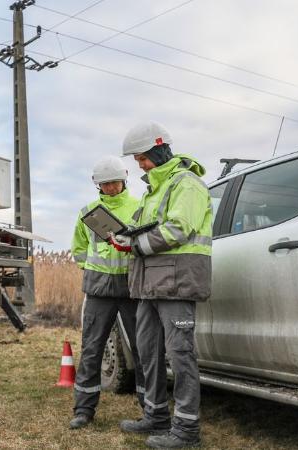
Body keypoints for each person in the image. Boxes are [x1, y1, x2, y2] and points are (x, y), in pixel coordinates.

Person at [115, 122, 212, 448]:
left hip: (177, 282)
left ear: (158, 151)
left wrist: (136, 245)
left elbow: (178, 229)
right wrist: (122, 234)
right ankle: (155, 416)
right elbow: (141, 227)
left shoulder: (187, 185)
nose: (139, 164)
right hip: (150, 285)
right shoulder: (154, 190)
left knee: (180, 354)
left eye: (142, 158)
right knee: (147, 352)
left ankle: (186, 431)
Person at [68, 156, 145, 430]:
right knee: (92, 349)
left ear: (124, 180)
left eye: (114, 183)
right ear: (97, 185)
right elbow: (78, 249)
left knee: (142, 348)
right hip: (98, 289)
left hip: (132, 288)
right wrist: (89, 269)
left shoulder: (140, 207)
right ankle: (83, 410)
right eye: (105, 184)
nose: (111, 188)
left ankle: (150, 410)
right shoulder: (88, 212)